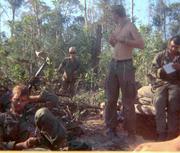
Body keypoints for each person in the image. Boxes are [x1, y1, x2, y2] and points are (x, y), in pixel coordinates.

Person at [105, 5, 144, 144]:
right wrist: (112, 42)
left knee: (127, 100)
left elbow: (141, 44)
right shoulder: (117, 28)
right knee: (111, 99)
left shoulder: (130, 26)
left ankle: (131, 132)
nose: (113, 18)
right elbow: (117, 47)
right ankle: (111, 128)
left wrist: (124, 40)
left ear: (117, 14)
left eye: (113, 15)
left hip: (125, 65)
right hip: (113, 65)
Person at [0, 84, 66, 150]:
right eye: (16, 99)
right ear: (11, 98)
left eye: (23, 101)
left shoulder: (31, 111)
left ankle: (61, 146)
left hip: (43, 145)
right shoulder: (2, 118)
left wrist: (30, 99)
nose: (19, 103)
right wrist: (24, 144)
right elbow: (2, 145)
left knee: (43, 111)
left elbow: (53, 99)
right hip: (23, 149)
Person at [151, 35, 180, 141]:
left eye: (176, 47)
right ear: (169, 44)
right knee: (159, 102)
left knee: (174, 103)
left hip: (175, 84)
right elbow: (153, 72)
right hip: (161, 83)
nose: (173, 49)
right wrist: (161, 70)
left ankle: (171, 134)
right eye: (172, 46)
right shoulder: (160, 56)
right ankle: (161, 133)